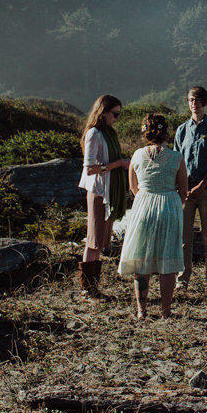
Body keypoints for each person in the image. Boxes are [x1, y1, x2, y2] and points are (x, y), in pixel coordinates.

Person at [118, 113, 188, 319]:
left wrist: (146, 198)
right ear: (166, 132)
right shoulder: (176, 158)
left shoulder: (137, 156)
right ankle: (166, 311)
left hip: (143, 205)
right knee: (168, 262)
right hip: (169, 205)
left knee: (141, 261)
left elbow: (133, 186)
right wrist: (172, 201)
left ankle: (142, 310)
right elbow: (184, 190)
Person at [77, 94, 130, 301]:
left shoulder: (109, 133)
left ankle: (92, 288)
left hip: (107, 191)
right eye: (115, 114)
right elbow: (89, 168)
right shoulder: (94, 134)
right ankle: (87, 289)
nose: (117, 118)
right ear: (103, 112)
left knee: (99, 241)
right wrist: (118, 164)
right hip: (99, 191)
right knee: (93, 240)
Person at [174, 85, 207, 296]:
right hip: (185, 192)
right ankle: (181, 281)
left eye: (197, 100)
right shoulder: (181, 130)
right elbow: (177, 161)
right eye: (190, 100)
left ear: (205, 102)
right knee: (183, 239)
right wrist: (183, 188)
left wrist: (200, 186)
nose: (193, 104)